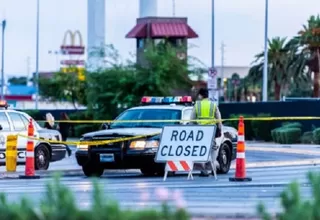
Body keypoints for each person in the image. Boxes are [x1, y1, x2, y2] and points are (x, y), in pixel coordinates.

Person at [190, 88, 222, 177]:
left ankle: (204, 171)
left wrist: (191, 129)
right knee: (212, 149)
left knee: (202, 150)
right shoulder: (213, 104)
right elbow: (219, 119)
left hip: (201, 130)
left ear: (200, 95)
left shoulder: (197, 105)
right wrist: (219, 129)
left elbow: (191, 119)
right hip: (211, 129)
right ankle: (213, 168)